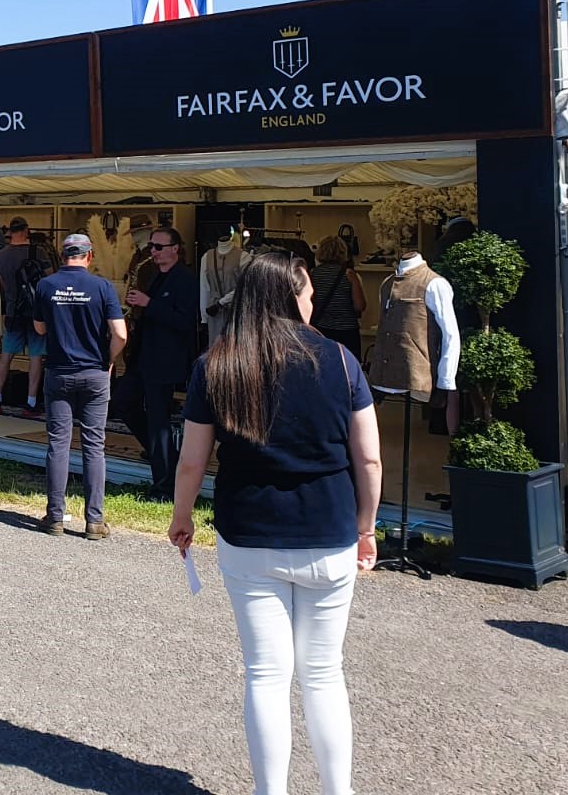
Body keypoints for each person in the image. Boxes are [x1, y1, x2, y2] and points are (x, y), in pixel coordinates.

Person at [169, 251, 383, 795]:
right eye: (308, 293)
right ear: (291, 296)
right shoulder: (339, 360)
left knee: (265, 674)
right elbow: (370, 460)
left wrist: (182, 515)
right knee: (323, 674)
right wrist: (366, 527)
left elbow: (192, 459)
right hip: (329, 533)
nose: (312, 302)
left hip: (249, 535)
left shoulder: (216, 364)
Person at [33, 234, 126, 537]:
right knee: (93, 445)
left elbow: (39, 327)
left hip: (59, 370)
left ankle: (55, 517)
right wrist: (108, 360)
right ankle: (94, 521)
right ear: (89, 256)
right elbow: (120, 334)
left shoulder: (46, 285)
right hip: (94, 373)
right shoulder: (102, 287)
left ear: (63, 256)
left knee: (58, 444)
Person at [123, 225, 199, 500]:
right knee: (123, 403)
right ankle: (166, 456)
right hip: (144, 356)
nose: (152, 252)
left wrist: (149, 303)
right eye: (151, 246)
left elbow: (184, 321)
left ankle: (164, 486)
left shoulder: (186, 280)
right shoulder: (156, 275)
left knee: (158, 421)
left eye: (158, 247)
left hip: (166, 360)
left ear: (174, 249)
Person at [0, 217, 50, 415]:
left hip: (12, 310)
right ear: (26, 230)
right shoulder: (38, 252)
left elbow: (2, 284)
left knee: (6, 355)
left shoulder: (1, 255)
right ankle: (31, 402)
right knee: (35, 356)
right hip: (35, 312)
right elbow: (50, 280)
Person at [309, 235, 366, 357]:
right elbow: (359, 306)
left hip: (321, 330)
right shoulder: (349, 275)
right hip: (347, 332)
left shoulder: (313, 274)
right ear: (343, 252)